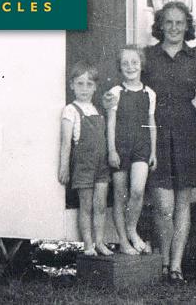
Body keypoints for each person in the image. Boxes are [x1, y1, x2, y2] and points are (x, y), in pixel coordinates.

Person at [143, 1, 196, 284]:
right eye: (168, 22)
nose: (174, 28)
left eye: (180, 22)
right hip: (156, 129)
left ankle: (176, 267)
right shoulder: (147, 56)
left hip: (186, 132)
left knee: (183, 204)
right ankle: (165, 262)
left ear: (187, 26)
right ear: (160, 25)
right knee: (162, 205)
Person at [58, 61, 113, 256]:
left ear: (95, 87)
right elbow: (66, 143)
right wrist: (64, 167)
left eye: (89, 84)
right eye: (80, 83)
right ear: (72, 85)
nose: (84, 88)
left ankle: (100, 242)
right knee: (86, 205)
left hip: (101, 165)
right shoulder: (70, 110)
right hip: (83, 165)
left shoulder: (97, 110)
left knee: (100, 206)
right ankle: (88, 244)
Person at [107, 45, 157, 255]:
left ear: (141, 65)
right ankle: (123, 241)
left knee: (137, 191)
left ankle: (131, 229)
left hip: (142, 147)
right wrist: (111, 150)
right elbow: (110, 123)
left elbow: (151, 122)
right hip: (120, 147)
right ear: (120, 66)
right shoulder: (116, 92)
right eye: (125, 63)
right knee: (120, 194)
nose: (130, 67)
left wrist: (153, 152)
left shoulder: (149, 93)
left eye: (134, 62)